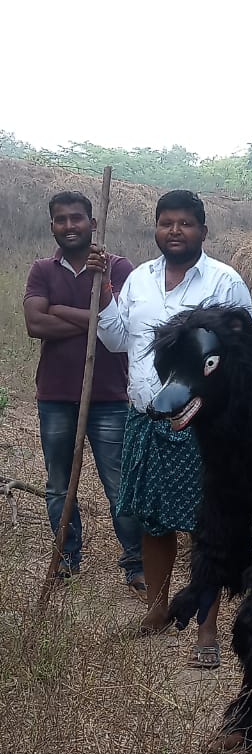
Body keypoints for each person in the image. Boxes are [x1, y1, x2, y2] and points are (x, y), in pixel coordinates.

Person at [90, 190, 252, 668]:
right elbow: (118, 338)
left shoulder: (225, 282)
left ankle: (206, 626)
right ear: (156, 229)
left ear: (203, 230)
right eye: (166, 223)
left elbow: (240, 353)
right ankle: (157, 609)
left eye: (185, 223)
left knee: (209, 524)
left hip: (204, 425)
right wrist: (103, 290)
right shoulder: (138, 279)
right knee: (150, 516)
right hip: (145, 415)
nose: (175, 231)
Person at [24, 191, 144, 593]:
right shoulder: (42, 269)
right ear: (52, 226)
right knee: (59, 483)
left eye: (77, 218)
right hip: (56, 397)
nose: (70, 225)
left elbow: (122, 329)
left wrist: (63, 310)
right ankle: (66, 557)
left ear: (93, 224)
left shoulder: (117, 268)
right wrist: (95, 320)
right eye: (61, 219)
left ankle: (136, 563)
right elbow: (35, 325)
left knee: (119, 484)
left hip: (109, 398)